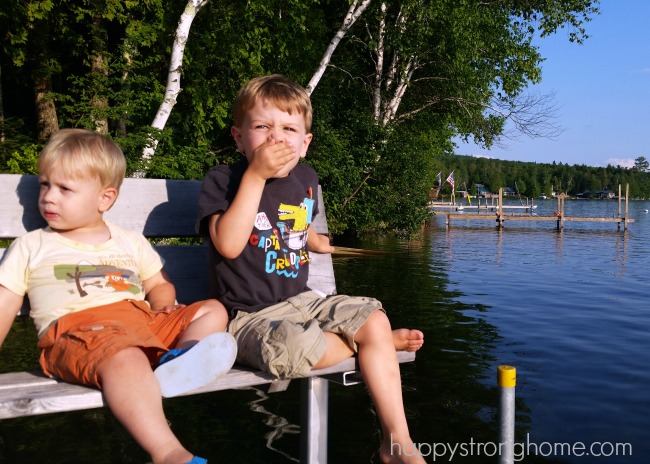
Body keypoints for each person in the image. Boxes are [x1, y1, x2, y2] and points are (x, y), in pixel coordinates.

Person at [196, 74, 426, 463]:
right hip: (251, 317)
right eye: (262, 128)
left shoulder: (306, 177)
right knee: (298, 346)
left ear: (305, 143)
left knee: (373, 317)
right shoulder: (225, 180)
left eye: (289, 129)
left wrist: (318, 241)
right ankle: (373, 345)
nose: (276, 139)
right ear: (239, 137)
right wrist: (255, 176)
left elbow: (297, 224)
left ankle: (397, 442)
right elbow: (230, 244)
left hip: (304, 301)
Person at [0, 129, 236, 464]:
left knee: (212, 310)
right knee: (125, 356)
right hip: (80, 331)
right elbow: (5, 303)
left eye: (64, 189)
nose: (49, 197)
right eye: (44, 184)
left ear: (105, 199)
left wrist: (164, 306)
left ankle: (181, 358)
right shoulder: (32, 245)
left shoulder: (128, 240)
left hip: (139, 322)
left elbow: (159, 283)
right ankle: (168, 452)